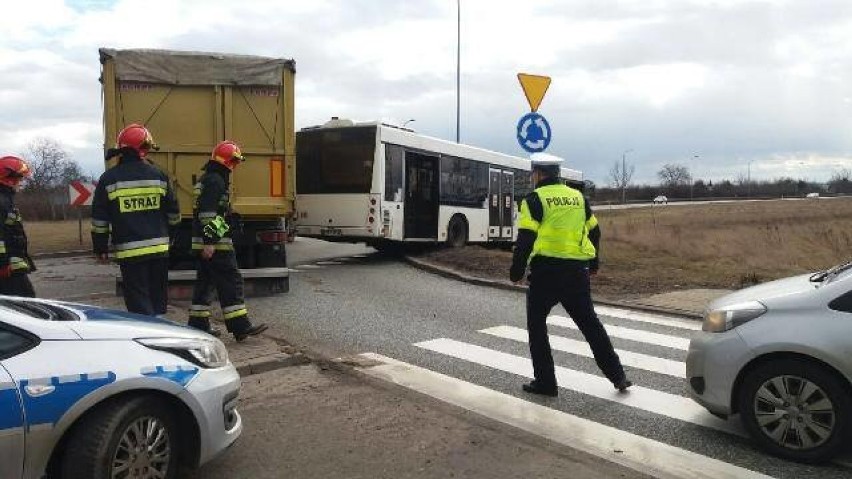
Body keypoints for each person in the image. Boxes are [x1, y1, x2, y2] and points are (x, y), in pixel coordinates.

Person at [510, 153, 631, 397]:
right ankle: (618, 375)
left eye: (533, 174)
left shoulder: (533, 199)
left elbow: (526, 238)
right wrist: (594, 262)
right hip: (577, 272)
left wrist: (517, 271)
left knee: (537, 326)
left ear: (538, 174)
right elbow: (595, 232)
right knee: (590, 325)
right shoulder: (578, 198)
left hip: (546, 273)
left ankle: (546, 383)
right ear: (558, 174)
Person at [91, 124, 181, 316]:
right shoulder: (159, 175)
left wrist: (100, 247)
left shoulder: (109, 179)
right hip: (159, 250)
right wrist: (172, 235)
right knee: (158, 297)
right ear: (143, 149)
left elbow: (100, 220)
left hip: (129, 252)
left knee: (138, 300)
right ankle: (159, 333)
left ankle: (145, 336)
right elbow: (173, 212)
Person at [187, 140, 267, 341]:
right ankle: (240, 326)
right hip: (216, 244)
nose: (235, 165)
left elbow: (210, 213)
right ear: (226, 161)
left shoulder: (210, 178)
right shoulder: (215, 180)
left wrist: (228, 220)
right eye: (234, 161)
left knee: (205, 283)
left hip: (207, 241)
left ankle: (198, 324)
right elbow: (207, 215)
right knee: (231, 281)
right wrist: (210, 241)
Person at [0, 155, 36, 297]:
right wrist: (2, 264)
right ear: (9, 178)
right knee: (27, 305)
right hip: (7, 268)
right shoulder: (2, 201)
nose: (21, 182)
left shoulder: (6, 199)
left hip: (11, 266)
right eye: (20, 178)